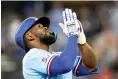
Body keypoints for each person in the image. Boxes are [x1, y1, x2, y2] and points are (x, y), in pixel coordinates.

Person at [15, 8, 100, 79]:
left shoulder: (59, 56)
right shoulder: (31, 57)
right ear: (29, 36)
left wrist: (82, 42)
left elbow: (91, 67)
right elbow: (64, 65)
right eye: (39, 26)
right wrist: (72, 34)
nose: (45, 27)